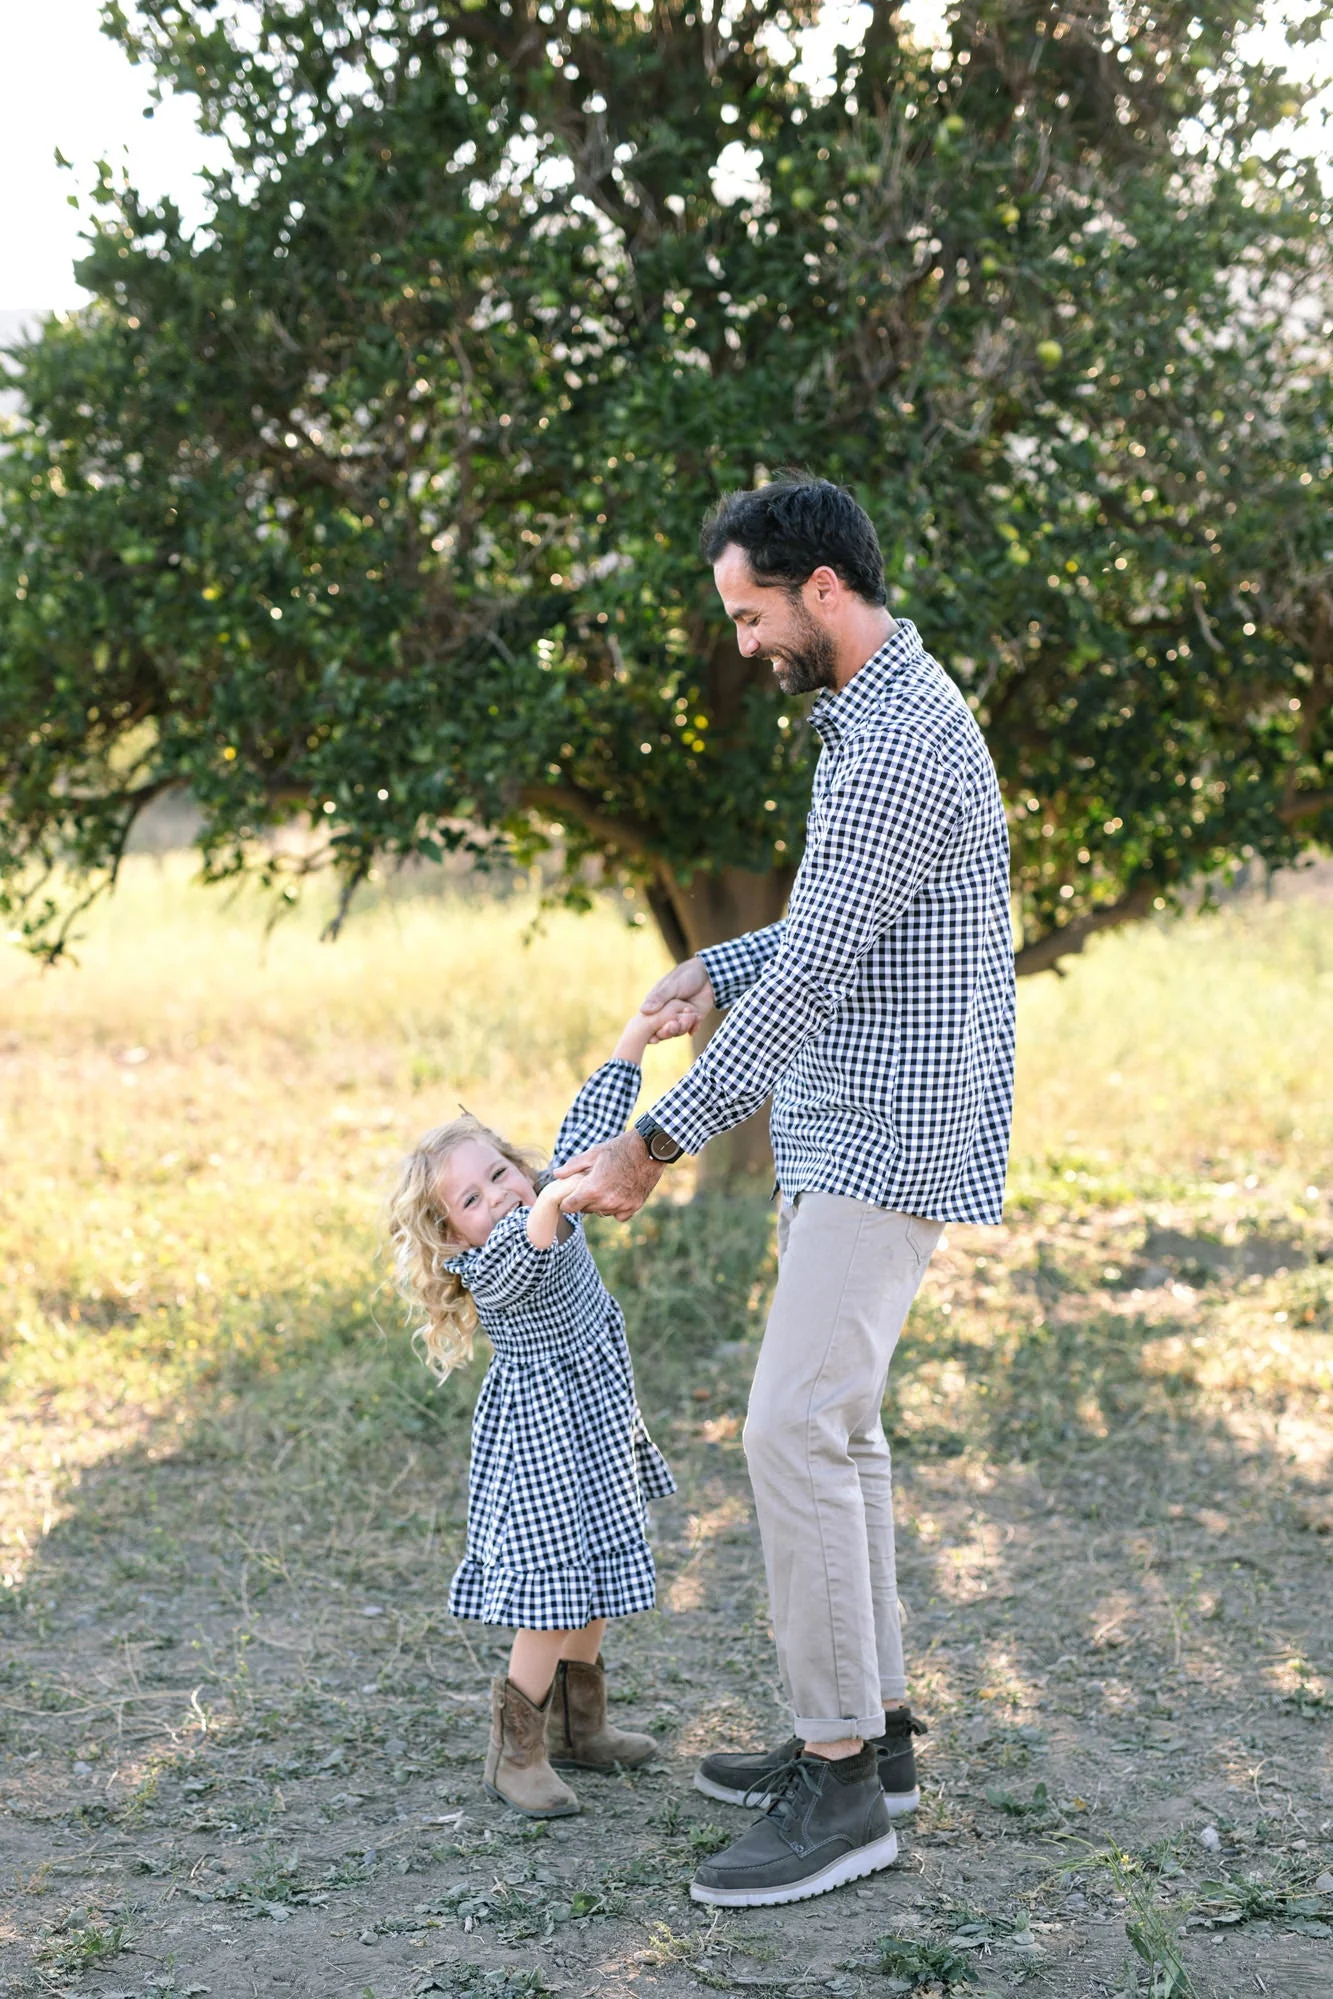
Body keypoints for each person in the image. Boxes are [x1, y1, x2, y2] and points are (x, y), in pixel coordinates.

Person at [558, 475, 1016, 1906]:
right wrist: (722, 970)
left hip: (887, 1128)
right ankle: (871, 1743)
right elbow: (831, 927)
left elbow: (822, 967)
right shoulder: (880, 714)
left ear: (822, 589)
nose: (746, 642)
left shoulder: (893, 741)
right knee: (843, 1433)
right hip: (854, 1118)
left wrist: (653, 1140)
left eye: (752, 613)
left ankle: (839, 1793)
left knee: (788, 1429)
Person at [388, 1001, 692, 1818]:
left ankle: (577, 1728)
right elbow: (527, 1259)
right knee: (553, 1589)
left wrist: (633, 1038)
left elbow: (594, 1120)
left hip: (595, 1423)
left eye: (499, 1174)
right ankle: (513, 1750)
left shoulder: (544, 1197)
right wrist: (549, 1204)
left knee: (594, 1577)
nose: (497, 1195)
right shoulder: (491, 1264)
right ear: (452, 1234)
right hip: (543, 1441)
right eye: (472, 1198)